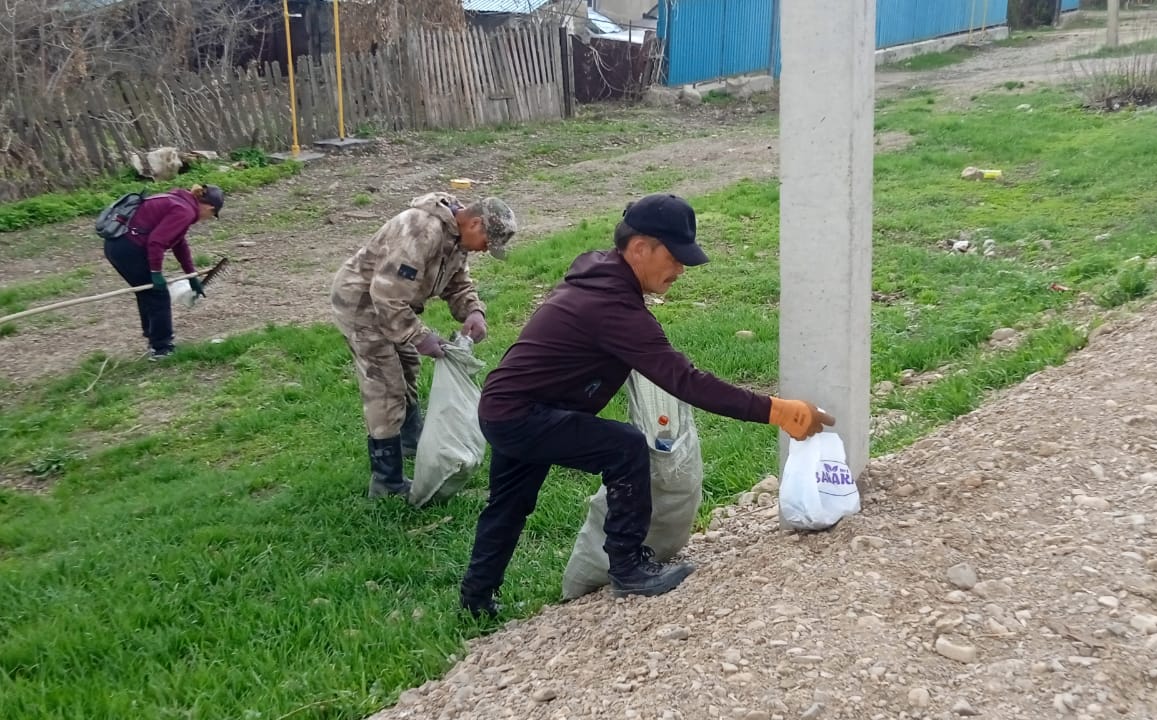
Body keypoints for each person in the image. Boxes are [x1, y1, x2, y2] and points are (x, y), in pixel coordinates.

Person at [459, 193, 835, 618]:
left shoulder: (601, 281)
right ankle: (627, 566)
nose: (681, 269)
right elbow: (685, 381)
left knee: (508, 505)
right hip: (524, 414)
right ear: (639, 248)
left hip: (505, 406)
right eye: (675, 257)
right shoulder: (611, 306)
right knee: (624, 447)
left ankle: (475, 600)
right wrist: (777, 411)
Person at [331, 192, 517, 500]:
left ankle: (408, 441)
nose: (485, 250)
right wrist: (419, 336)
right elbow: (386, 296)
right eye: (487, 242)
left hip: (394, 308)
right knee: (386, 385)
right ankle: (386, 482)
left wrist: (473, 310)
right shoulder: (421, 230)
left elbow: (457, 282)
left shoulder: (456, 239)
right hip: (362, 307)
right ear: (474, 223)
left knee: (407, 372)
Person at [102, 183, 223, 360]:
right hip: (128, 248)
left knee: (147, 293)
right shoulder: (184, 211)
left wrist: (192, 276)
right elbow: (156, 242)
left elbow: (179, 243)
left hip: (117, 245)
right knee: (157, 295)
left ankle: (154, 340)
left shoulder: (181, 203)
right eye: (212, 215)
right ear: (210, 207)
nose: (207, 218)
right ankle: (162, 349)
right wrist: (156, 272)